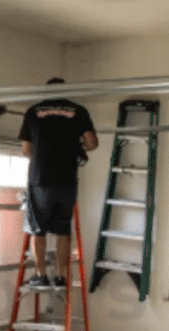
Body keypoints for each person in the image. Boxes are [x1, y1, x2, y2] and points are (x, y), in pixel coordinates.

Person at [18, 77, 99, 288]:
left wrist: (44, 154)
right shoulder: (78, 111)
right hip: (66, 181)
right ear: (67, 91)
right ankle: (62, 276)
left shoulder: (33, 111)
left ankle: (40, 275)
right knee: (63, 229)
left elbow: (26, 149)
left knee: (38, 229)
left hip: (41, 180)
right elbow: (92, 144)